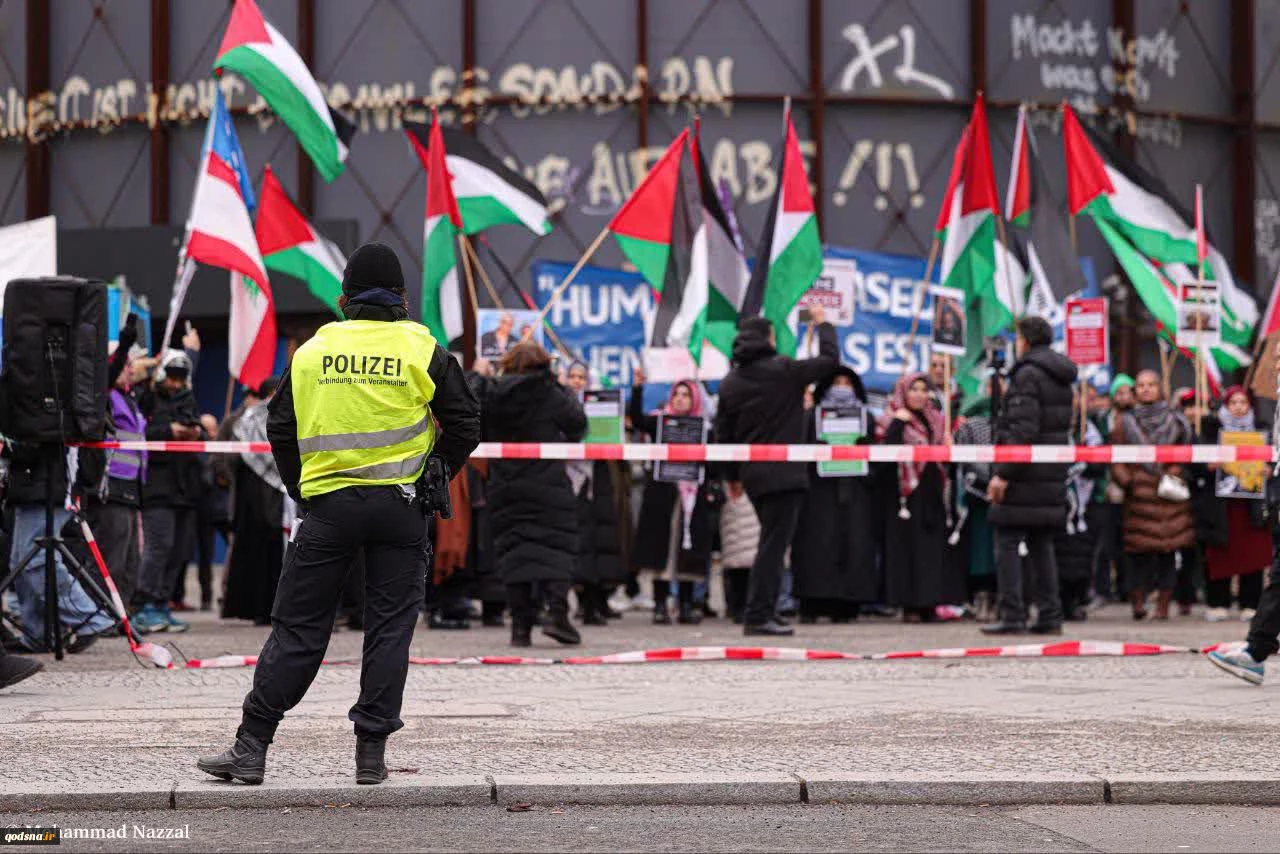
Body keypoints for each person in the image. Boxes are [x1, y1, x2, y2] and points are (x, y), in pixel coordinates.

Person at [197, 242, 480, 786]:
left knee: (298, 628)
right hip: (400, 509)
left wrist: (303, 490)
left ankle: (251, 748)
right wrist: (437, 469)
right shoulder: (423, 349)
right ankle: (370, 757)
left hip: (329, 510)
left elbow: (279, 428)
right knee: (389, 629)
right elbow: (466, 422)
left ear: (344, 298)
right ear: (401, 298)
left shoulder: (312, 351)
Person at [716, 307, 838, 636]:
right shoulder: (784, 370)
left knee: (772, 542)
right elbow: (830, 361)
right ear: (768, 339)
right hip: (784, 474)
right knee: (772, 546)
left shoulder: (730, 382)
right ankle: (758, 615)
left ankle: (766, 610)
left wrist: (732, 477)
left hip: (753, 475)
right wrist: (824, 324)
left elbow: (723, 435)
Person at [484, 340, 587, 647]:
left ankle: (520, 627)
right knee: (556, 547)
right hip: (548, 484)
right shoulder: (551, 393)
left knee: (514, 552)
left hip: (505, 485)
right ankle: (557, 615)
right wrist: (562, 387)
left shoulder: (493, 393)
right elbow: (577, 426)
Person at [982, 316, 1078, 635]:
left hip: (1024, 475)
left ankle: (1013, 614)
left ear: (1025, 340)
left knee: (1007, 541)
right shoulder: (1061, 375)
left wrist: (1003, 474)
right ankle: (1050, 614)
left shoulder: (1027, 374)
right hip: (1049, 473)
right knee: (1042, 543)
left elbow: (1023, 430)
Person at [630, 372, 721, 625]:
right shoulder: (659, 422)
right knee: (661, 548)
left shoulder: (705, 429)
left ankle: (686, 605)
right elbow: (637, 420)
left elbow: (715, 465)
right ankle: (660, 604)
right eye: (677, 394)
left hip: (692, 498)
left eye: (686, 395)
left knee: (688, 551)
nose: (680, 399)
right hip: (662, 496)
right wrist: (637, 390)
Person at [791, 366, 877, 623]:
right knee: (817, 547)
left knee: (853, 547)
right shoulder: (810, 417)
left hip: (855, 492)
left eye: (847, 383)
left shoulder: (866, 418)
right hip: (818, 494)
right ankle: (812, 602)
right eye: (836, 383)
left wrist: (864, 453)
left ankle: (847, 604)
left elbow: (876, 458)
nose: (842, 388)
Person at [875, 372, 963, 622]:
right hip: (904, 493)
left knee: (931, 549)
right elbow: (885, 455)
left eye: (924, 390)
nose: (919, 395)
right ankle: (909, 605)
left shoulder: (936, 419)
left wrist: (948, 444)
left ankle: (930, 602)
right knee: (907, 549)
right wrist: (898, 423)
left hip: (931, 490)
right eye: (914, 389)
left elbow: (945, 456)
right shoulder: (891, 417)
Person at [1109, 370, 1195, 621]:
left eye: (1151, 385)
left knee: (1168, 552)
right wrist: (1128, 481)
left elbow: (1188, 452)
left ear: (1160, 388)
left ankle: (1164, 605)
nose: (1146, 389)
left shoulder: (1177, 421)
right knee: (1138, 554)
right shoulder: (1124, 422)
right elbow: (1115, 456)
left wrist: (1178, 469)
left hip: (1170, 495)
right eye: (1141, 385)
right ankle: (1138, 601)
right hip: (1139, 496)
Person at [133, 348, 206, 634]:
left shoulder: (187, 398)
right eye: (172, 377)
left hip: (185, 486)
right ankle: (143, 605)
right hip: (157, 486)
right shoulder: (147, 397)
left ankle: (163, 603)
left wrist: (195, 431)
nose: (175, 384)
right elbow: (138, 432)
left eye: (180, 378)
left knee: (179, 551)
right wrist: (168, 430)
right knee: (158, 546)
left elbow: (196, 425)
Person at [219, 378, 289, 626]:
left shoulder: (247, 419)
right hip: (264, 500)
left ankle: (262, 608)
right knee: (267, 553)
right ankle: (266, 608)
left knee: (264, 553)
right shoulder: (264, 416)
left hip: (257, 499)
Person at [565, 361, 630, 626]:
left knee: (602, 539)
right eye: (572, 376)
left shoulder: (603, 406)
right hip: (572, 477)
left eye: (581, 377)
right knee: (579, 541)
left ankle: (599, 598)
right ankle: (584, 601)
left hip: (600, 477)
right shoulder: (561, 404)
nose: (577, 381)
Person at [1200, 386, 1269, 622]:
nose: (1239, 407)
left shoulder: (1262, 430)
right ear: (1226, 406)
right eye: (1233, 403)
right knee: (1220, 553)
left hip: (1251, 506)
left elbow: (1273, 459)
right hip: (1222, 506)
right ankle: (1217, 602)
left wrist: (1268, 470)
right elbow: (1196, 464)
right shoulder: (1212, 431)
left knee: (1252, 553)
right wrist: (1210, 464)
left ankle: (1250, 603)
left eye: (1243, 402)